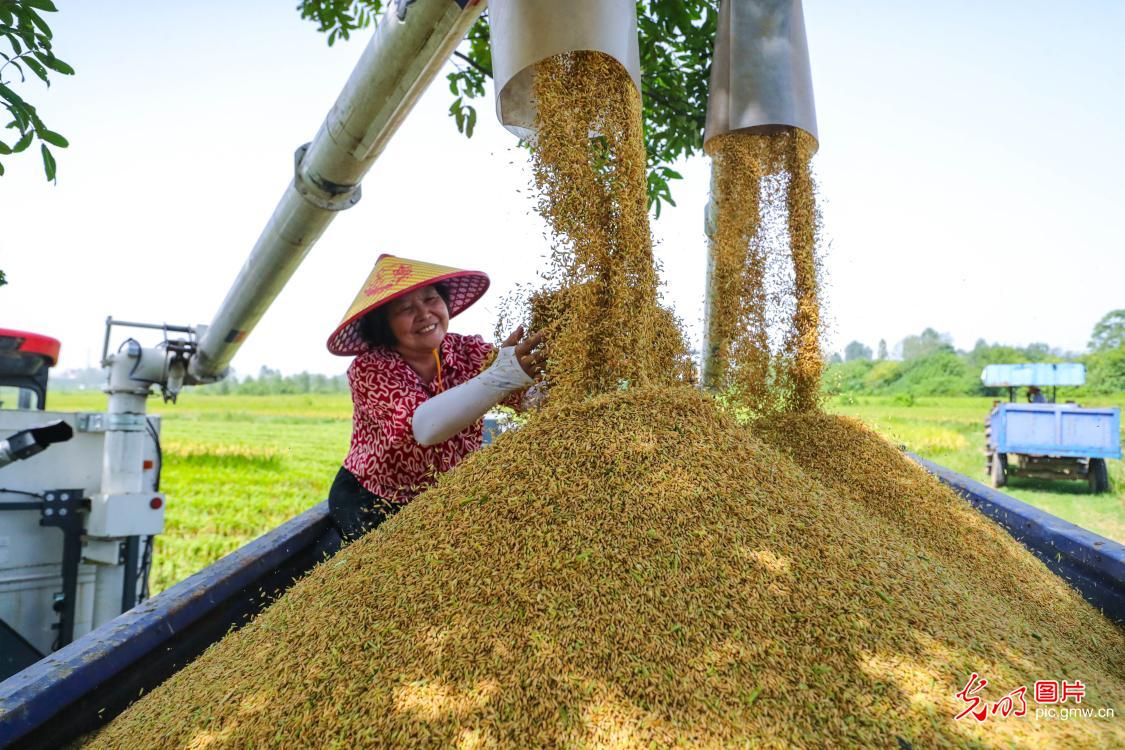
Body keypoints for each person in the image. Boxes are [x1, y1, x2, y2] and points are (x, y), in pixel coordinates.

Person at [325, 254, 545, 541]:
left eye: (431, 299)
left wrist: (547, 377)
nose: (424, 314)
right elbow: (425, 428)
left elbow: (528, 398)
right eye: (405, 308)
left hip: (446, 491)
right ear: (384, 325)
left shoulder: (469, 351)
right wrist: (500, 376)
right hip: (377, 499)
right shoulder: (371, 368)